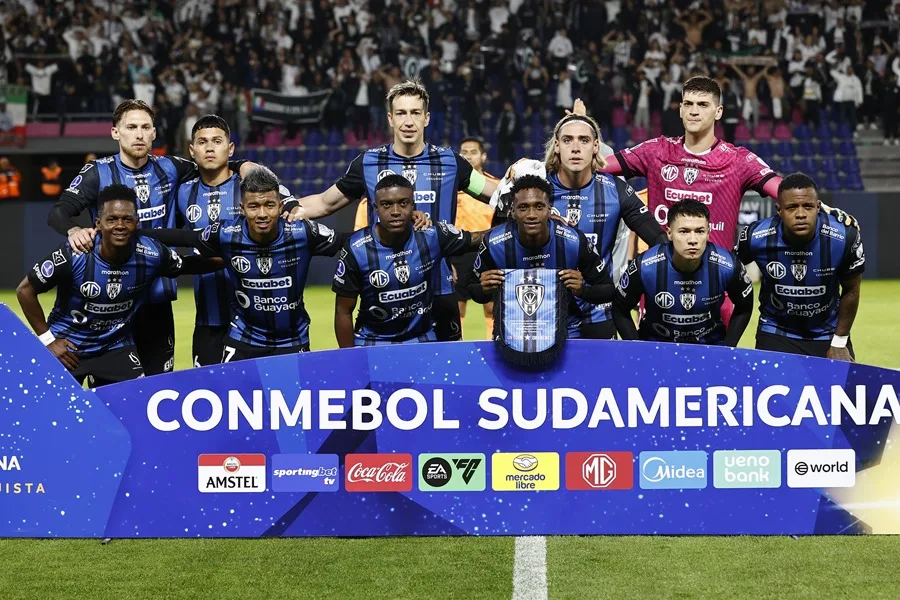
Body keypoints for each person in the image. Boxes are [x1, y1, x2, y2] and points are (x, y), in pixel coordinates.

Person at [598, 76, 856, 321]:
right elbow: (598, 166)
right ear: (680, 109)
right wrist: (582, 128)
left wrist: (822, 208)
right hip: (659, 285)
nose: (694, 111)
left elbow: (783, 191)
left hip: (716, 289)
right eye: (688, 104)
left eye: (703, 105)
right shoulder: (655, 151)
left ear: (719, 111)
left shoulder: (738, 160)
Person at [46, 99, 258, 375]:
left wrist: (242, 165)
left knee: (158, 384)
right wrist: (74, 230)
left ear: (154, 133)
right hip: (108, 305)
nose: (139, 134)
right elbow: (59, 212)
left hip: (156, 300)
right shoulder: (98, 172)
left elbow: (212, 162)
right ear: (115, 132)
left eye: (146, 127)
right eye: (131, 127)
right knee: (110, 387)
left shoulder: (170, 167)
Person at [287, 79, 497, 343]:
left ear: (426, 118)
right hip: (383, 288)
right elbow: (324, 203)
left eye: (415, 113)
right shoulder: (368, 163)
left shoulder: (451, 162)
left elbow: (496, 194)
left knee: (444, 367)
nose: (408, 121)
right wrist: (288, 207)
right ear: (390, 118)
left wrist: (526, 181)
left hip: (440, 287)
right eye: (401, 113)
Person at [15, 185, 215, 386]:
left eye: (127, 219)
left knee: (137, 398)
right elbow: (25, 290)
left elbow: (188, 265)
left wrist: (228, 257)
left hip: (114, 347)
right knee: (51, 404)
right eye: (111, 219)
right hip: (67, 347)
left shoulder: (152, 253)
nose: (120, 225)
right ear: (98, 223)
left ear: (136, 223)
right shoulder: (74, 254)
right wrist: (48, 340)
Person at [144, 167, 343, 363]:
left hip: (293, 340)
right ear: (242, 209)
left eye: (269, 205)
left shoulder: (303, 232)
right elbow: (186, 238)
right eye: (254, 206)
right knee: (228, 385)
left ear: (281, 206)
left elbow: (346, 242)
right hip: (243, 340)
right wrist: (137, 234)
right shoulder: (227, 234)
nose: (262, 214)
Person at [176, 114, 294, 367]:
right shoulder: (183, 192)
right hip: (208, 320)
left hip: (258, 322)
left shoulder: (251, 187)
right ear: (192, 150)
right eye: (203, 142)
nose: (209, 148)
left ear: (230, 149)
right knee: (208, 389)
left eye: (217, 141)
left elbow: (286, 212)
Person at [333, 174, 487, 347]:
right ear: (376, 208)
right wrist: (348, 358)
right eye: (386, 204)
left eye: (403, 203)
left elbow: (477, 239)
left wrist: (511, 226)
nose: (396, 211)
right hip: (371, 341)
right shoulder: (356, 249)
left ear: (413, 205)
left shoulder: (432, 235)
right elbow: (343, 310)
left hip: (423, 339)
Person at [736, 173, 864, 361]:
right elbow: (727, 273)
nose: (801, 214)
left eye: (808, 206)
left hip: (828, 334)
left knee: (842, 381)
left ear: (818, 207)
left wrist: (839, 342)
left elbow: (852, 289)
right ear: (779, 210)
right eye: (792, 207)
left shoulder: (844, 236)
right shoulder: (755, 236)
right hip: (775, 331)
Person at [471, 175, 614, 338]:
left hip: (566, 333)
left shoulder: (573, 241)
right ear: (513, 211)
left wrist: (583, 290)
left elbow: (608, 290)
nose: (531, 214)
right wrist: (483, 290)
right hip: (513, 334)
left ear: (549, 209)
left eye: (539, 207)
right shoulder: (494, 243)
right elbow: (474, 290)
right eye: (523, 207)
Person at [613, 199, 753, 346]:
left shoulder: (728, 265)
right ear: (669, 233)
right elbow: (620, 310)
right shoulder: (645, 266)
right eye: (684, 231)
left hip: (710, 347)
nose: (693, 240)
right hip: (656, 347)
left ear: (708, 233)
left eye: (700, 231)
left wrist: (728, 348)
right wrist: (636, 348)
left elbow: (745, 306)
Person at [453, 137, 497, 340]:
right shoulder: (452, 188)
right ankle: (456, 349)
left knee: (491, 307)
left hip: (487, 252)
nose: (469, 156)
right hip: (458, 253)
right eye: (464, 152)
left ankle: (493, 346)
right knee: (457, 308)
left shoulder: (495, 186)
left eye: (473, 152)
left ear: (483, 156)